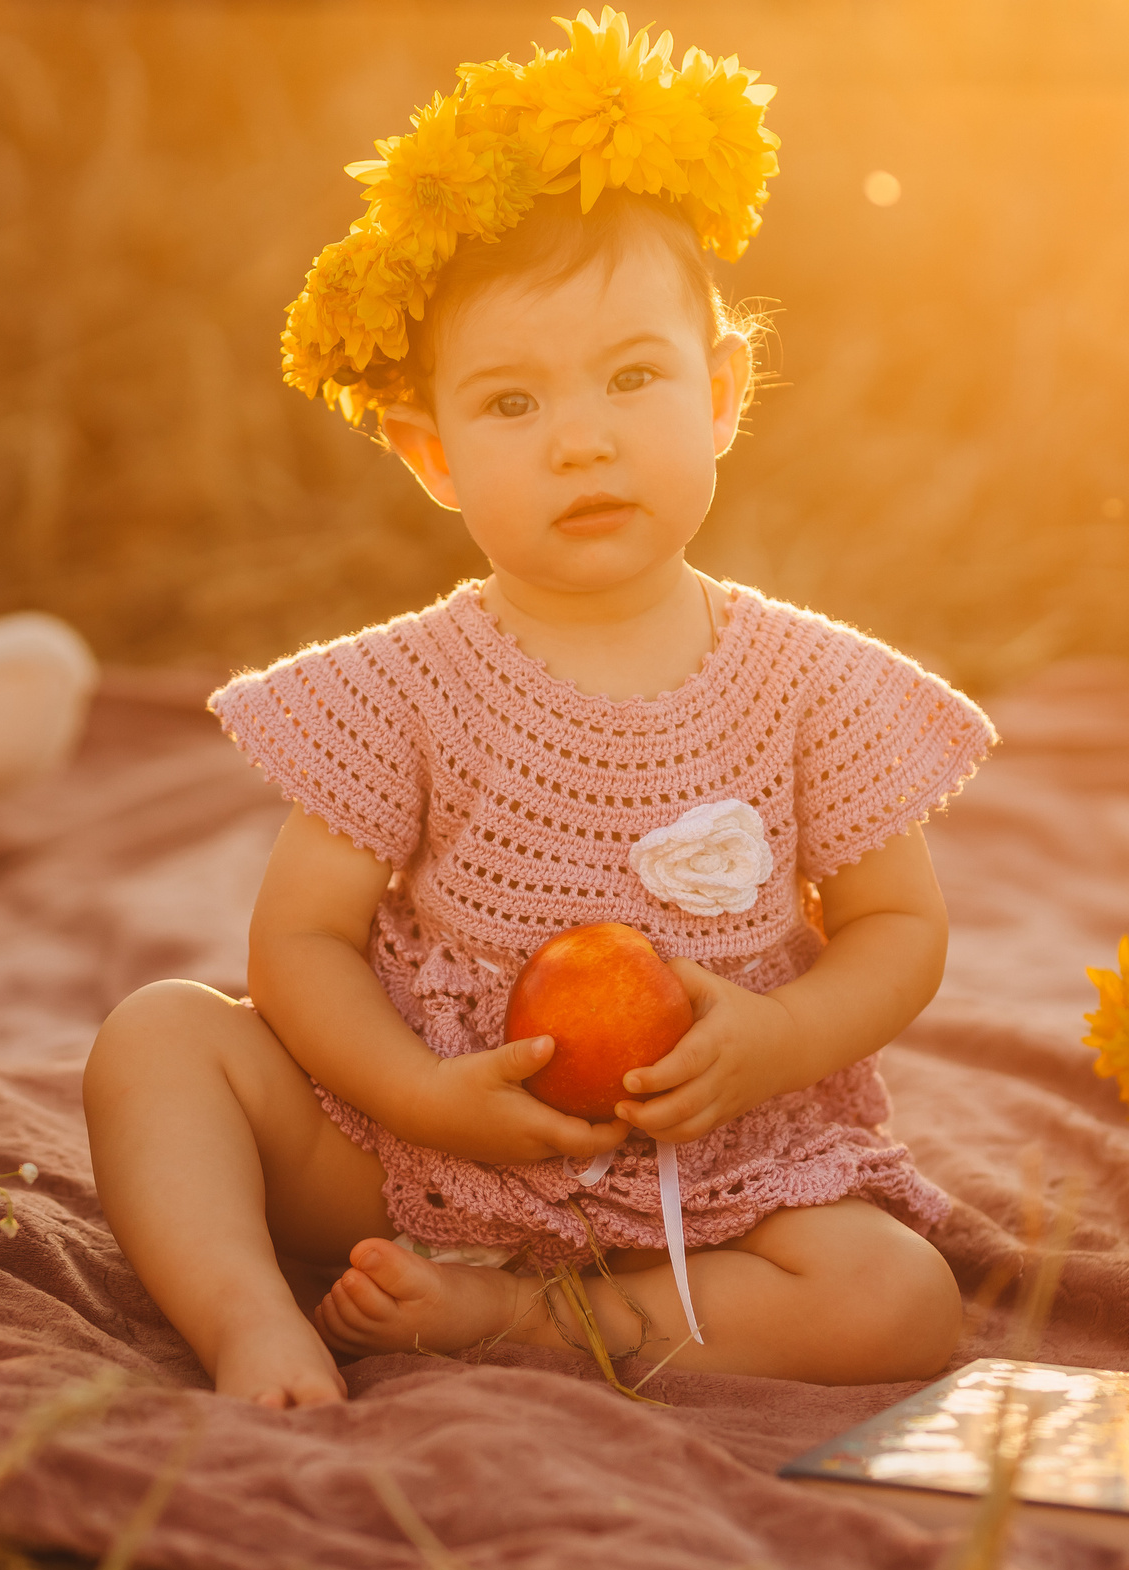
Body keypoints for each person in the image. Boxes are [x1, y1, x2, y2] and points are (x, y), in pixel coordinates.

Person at [85, 11, 993, 1409]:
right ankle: (251, 1322)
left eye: (635, 378)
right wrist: (412, 1094)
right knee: (158, 1039)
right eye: (514, 404)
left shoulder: (810, 682)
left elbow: (899, 929)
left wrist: (777, 1045)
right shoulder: (409, 684)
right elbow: (301, 942)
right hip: (426, 1147)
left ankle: (543, 1322)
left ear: (725, 392)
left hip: (711, 1179)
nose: (583, 437)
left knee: (898, 1301)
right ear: (433, 456)